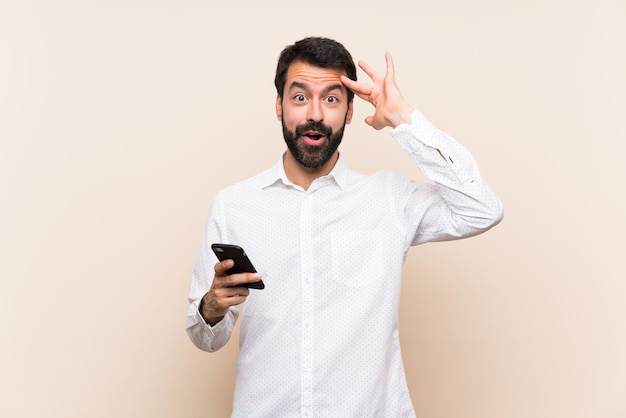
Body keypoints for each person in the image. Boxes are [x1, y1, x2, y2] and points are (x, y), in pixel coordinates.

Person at [186, 36, 503, 417]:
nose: (315, 114)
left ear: (351, 110)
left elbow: (481, 208)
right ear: (279, 106)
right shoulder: (234, 205)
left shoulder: (388, 199)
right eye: (300, 97)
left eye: (332, 99)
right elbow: (206, 338)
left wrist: (404, 119)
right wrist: (211, 308)